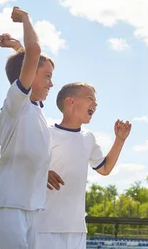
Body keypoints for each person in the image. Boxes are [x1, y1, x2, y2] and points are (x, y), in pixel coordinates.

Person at [0, 7, 55, 249]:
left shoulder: (36, 108)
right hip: (6, 208)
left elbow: (27, 60)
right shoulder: (16, 105)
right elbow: (33, 54)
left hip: (30, 209)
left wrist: (15, 47)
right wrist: (25, 18)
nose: (51, 83)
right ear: (29, 75)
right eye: (47, 76)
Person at [36, 82, 131, 249]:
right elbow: (26, 162)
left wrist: (120, 140)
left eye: (95, 101)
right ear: (70, 102)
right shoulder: (46, 132)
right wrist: (42, 171)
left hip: (76, 228)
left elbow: (105, 168)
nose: (95, 104)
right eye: (90, 99)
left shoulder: (89, 138)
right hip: (44, 226)